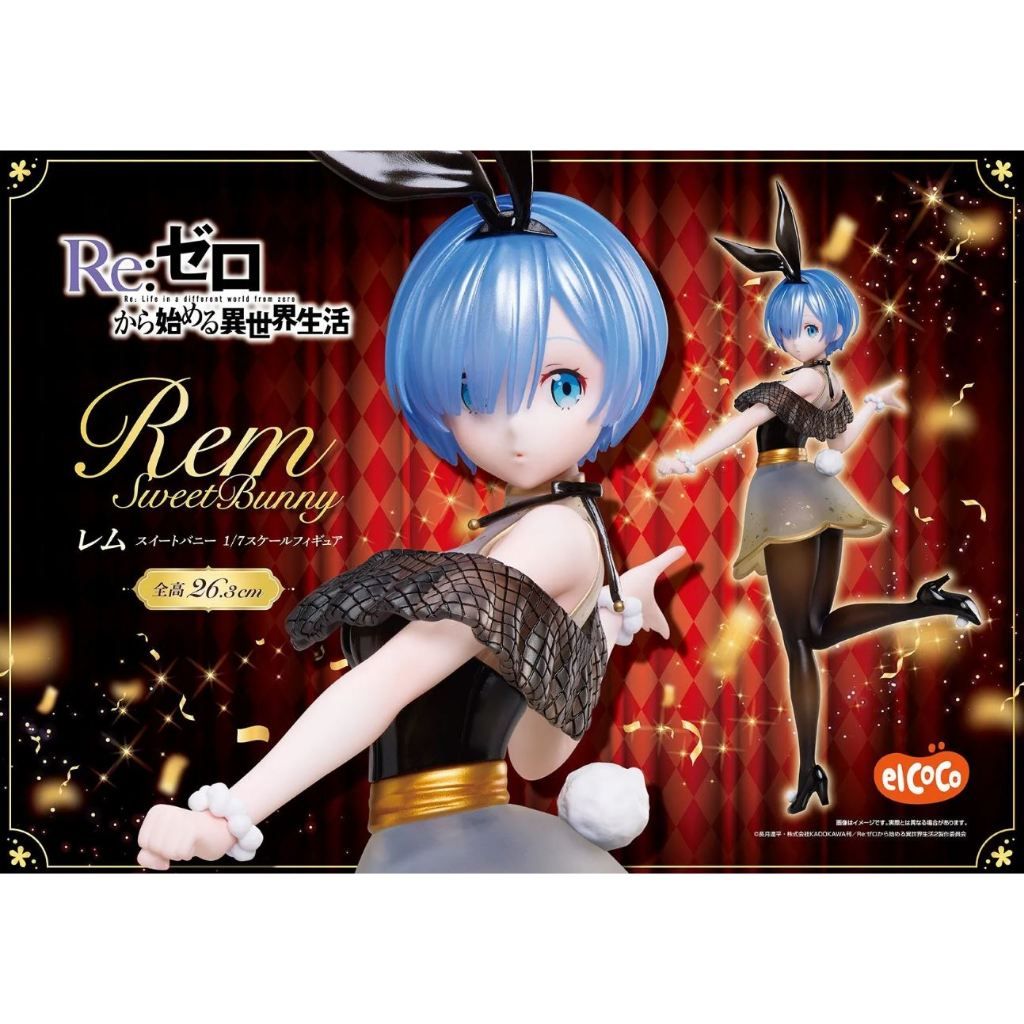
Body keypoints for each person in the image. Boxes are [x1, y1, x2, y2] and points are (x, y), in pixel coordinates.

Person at [136, 152, 683, 872]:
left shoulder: (553, 534)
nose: (515, 427)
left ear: (621, 377)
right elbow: (532, 754)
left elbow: (390, 679)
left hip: (454, 852)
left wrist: (226, 816)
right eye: (474, 390)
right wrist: (602, 625)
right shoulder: (534, 527)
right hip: (434, 844)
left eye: (561, 385)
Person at [657, 182, 981, 815]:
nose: (796, 338)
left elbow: (744, 424)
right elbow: (836, 442)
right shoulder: (827, 380)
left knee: (801, 641)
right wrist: (871, 410)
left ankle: (809, 771)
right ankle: (922, 606)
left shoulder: (799, 380)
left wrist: (692, 457)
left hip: (785, 499)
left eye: (807, 327)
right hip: (820, 497)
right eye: (790, 328)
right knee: (816, 630)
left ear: (831, 327)